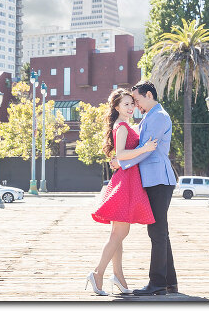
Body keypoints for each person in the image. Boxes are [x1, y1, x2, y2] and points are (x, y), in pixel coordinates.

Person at [86, 89, 158, 296]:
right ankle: (98, 273)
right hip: (125, 182)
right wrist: (145, 148)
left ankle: (118, 276)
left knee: (117, 234)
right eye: (126, 104)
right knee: (120, 233)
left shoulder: (125, 125)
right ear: (117, 107)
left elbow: (120, 156)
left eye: (132, 103)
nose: (130, 107)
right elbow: (121, 154)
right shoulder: (122, 126)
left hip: (127, 180)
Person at [110, 80, 178, 296]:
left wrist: (122, 162)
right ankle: (169, 283)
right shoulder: (150, 116)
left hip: (159, 179)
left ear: (149, 95)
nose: (136, 105)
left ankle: (157, 284)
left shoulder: (158, 116)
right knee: (160, 232)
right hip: (153, 179)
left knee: (157, 232)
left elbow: (146, 149)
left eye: (137, 100)